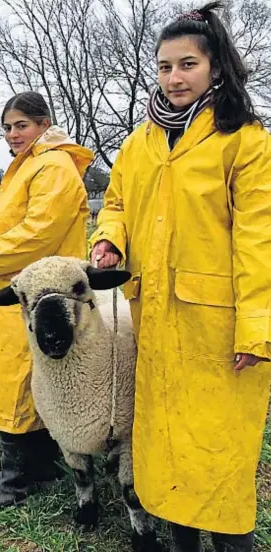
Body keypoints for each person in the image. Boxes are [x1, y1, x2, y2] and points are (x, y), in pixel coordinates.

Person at [89, 4, 271, 550]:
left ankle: (232, 541)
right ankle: (180, 536)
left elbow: (260, 239)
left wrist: (257, 328)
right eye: (165, 66)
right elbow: (117, 201)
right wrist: (109, 237)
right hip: (156, 316)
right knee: (165, 439)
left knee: (219, 443)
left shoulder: (245, 139)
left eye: (187, 64)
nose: (173, 77)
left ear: (215, 68)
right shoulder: (140, 141)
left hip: (220, 322)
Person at [0, 91, 93, 508]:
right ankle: (42, 464)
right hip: (12, 283)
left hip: (34, 290)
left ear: (44, 124)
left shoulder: (54, 167)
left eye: (21, 125)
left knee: (14, 377)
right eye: (8, 127)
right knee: (22, 376)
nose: (13, 134)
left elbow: (38, 233)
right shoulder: (30, 164)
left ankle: (15, 481)